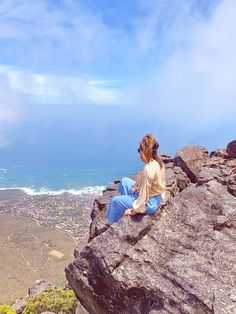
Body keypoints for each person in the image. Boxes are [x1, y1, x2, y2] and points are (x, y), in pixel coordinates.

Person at [106, 133, 166, 224]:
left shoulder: (148, 169)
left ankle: (113, 223)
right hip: (155, 199)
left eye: (139, 150)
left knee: (115, 201)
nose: (139, 154)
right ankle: (125, 204)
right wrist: (136, 188)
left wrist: (133, 211)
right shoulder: (158, 162)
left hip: (149, 203)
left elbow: (144, 195)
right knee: (124, 182)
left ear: (145, 151)